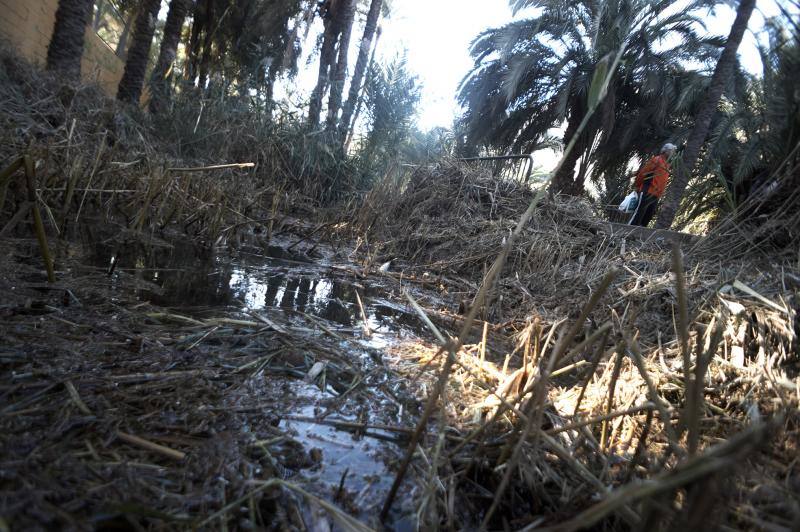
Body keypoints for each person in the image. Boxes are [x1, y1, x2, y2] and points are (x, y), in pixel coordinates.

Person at [629, 143, 677, 226]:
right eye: (672, 151)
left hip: (656, 195)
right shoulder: (656, 160)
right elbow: (643, 173)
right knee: (639, 214)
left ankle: (639, 235)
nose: (673, 153)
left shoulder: (667, 165)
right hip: (647, 191)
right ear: (666, 151)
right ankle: (628, 232)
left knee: (648, 216)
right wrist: (637, 186)